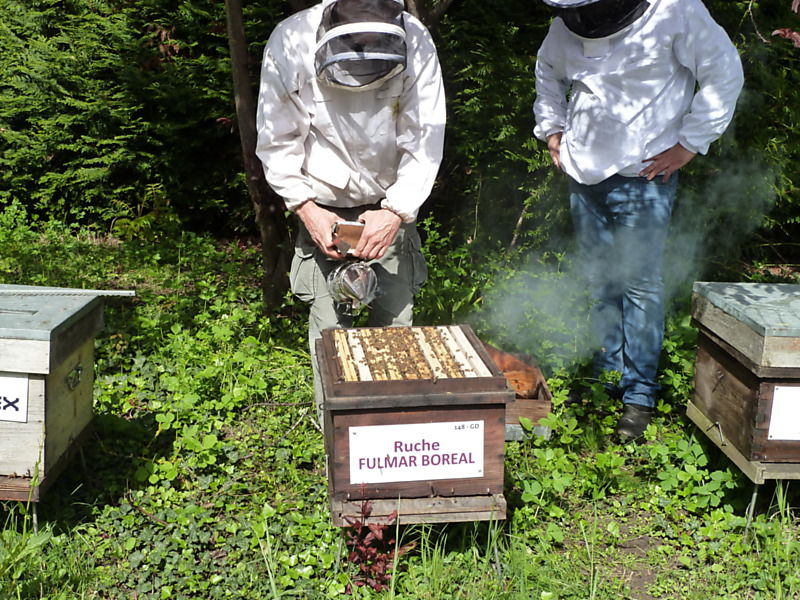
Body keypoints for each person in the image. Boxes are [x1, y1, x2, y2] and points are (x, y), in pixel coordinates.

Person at [532, 0, 744, 439]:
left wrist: (690, 144)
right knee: (598, 281)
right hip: (584, 173)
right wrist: (552, 128)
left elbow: (724, 73)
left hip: (645, 178)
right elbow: (547, 72)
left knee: (639, 284)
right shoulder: (567, 23)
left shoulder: (676, 11)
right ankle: (604, 378)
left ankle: (638, 396)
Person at [255, 0, 446, 425]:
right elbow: (277, 139)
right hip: (321, 207)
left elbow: (425, 136)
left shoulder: (416, 40)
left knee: (395, 328)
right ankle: (338, 440)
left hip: (387, 206)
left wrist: (395, 211)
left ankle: (391, 434)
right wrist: (306, 208)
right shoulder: (291, 39)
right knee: (330, 332)